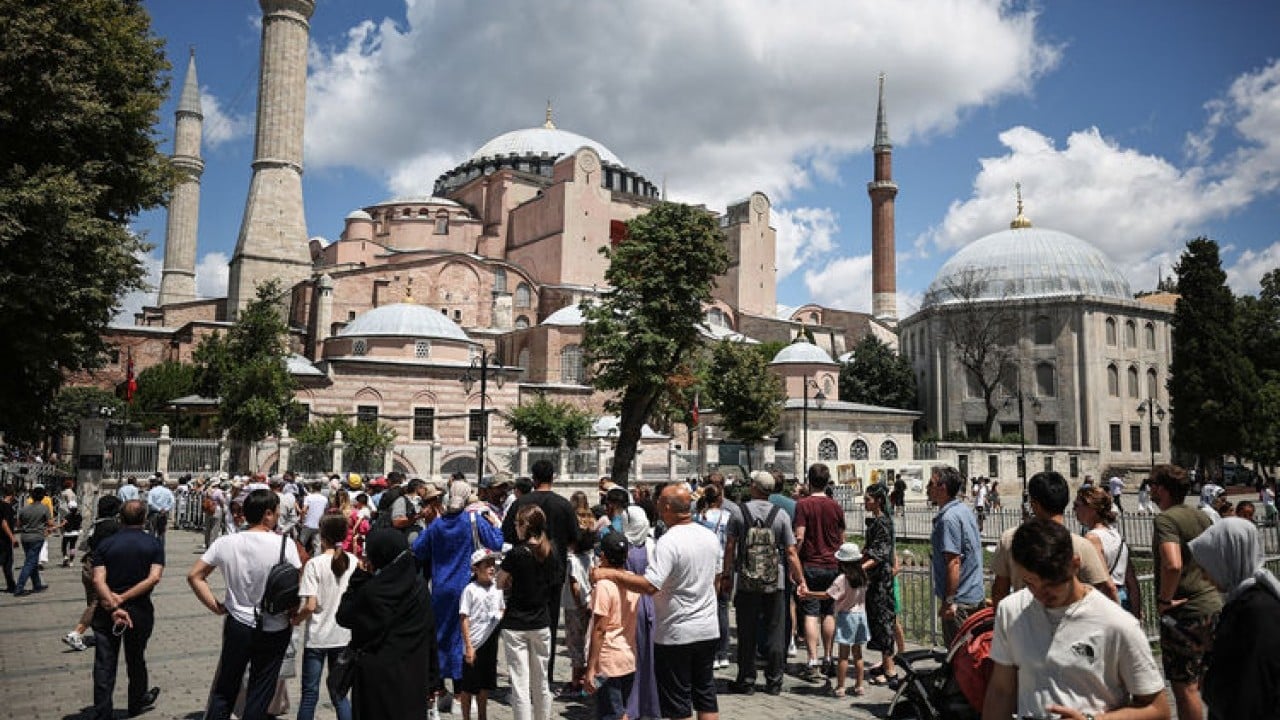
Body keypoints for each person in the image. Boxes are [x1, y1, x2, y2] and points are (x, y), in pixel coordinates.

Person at [981, 519, 1169, 720]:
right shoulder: (1011, 611)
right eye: (1030, 584)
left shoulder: (1117, 623)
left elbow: (1159, 709)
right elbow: (1001, 690)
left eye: (1052, 585)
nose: (1041, 595)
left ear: (1075, 565)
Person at [591, 484, 721, 720]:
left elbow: (651, 585)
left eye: (660, 501)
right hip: (708, 627)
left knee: (678, 700)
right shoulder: (709, 536)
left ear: (668, 507)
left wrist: (611, 574)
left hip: (677, 631)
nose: (657, 505)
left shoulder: (669, 542)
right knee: (705, 693)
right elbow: (718, 578)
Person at [187, 489, 303, 720]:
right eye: (277, 512)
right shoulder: (285, 544)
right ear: (267, 514)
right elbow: (295, 584)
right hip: (274, 624)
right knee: (261, 689)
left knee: (226, 685)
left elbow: (195, 576)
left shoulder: (226, 542)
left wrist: (215, 605)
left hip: (238, 622)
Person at [413, 479, 504, 702]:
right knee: (465, 637)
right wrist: (494, 523)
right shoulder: (472, 520)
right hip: (466, 587)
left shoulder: (437, 524)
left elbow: (418, 549)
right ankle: (461, 690)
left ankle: (438, 687)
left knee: (442, 635)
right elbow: (497, 542)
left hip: (441, 587)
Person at [337, 528, 439, 720]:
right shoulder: (419, 590)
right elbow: (430, 635)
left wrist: (358, 579)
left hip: (376, 683)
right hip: (413, 680)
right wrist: (433, 679)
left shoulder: (371, 593)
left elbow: (344, 616)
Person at [1187, 517, 1280, 719]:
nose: (1205, 577)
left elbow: (1251, 690)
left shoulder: (1257, 610)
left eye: (1206, 568)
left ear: (1226, 559)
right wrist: (1211, 646)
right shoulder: (1246, 600)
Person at [1149, 464, 1221, 720]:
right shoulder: (1201, 516)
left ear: (1162, 489)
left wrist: (1164, 600)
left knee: (1185, 686)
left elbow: (1173, 563)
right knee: (1211, 680)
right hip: (1212, 604)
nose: (1150, 491)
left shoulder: (1166, 520)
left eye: (1151, 485)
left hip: (1184, 612)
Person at [726, 471, 804, 695]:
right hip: (775, 580)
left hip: (746, 581)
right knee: (776, 631)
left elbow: (731, 547)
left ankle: (747, 679)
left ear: (754, 488)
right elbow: (790, 551)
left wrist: (726, 575)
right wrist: (800, 579)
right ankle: (774, 681)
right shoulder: (780, 516)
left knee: (747, 631)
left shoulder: (740, 513)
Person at [501, 459, 577, 685]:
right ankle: (545, 676)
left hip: (522, 572)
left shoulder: (520, 503)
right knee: (549, 625)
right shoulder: (563, 504)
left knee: (521, 625)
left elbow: (506, 534)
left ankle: (524, 677)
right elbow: (574, 538)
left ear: (533, 478)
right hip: (554, 573)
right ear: (553, 477)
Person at [991, 471, 1117, 605]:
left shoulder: (1011, 539)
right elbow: (1098, 594)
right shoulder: (1082, 546)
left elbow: (1000, 590)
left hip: (1023, 621)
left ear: (1035, 504)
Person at [90, 499, 164, 720]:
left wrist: (113, 602)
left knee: (104, 662)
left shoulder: (106, 544)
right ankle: (136, 701)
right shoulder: (153, 544)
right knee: (136, 657)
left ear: (120, 518)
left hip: (107, 609)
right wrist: (125, 598)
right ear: (144, 519)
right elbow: (154, 578)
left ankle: (102, 710)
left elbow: (97, 579)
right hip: (139, 610)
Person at [498, 505, 562, 720]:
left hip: (516, 623)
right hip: (541, 621)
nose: (515, 527)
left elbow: (499, 582)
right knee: (541, 682)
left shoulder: (517, 554)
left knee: (520, 684)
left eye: (517, 523)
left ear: (526, 526)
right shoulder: (551, 551)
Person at [295, 515, 356, 720]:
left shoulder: (315, 564)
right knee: (339, 694)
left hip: (317, 637)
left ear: (322, 537)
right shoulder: (354, 562)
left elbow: (310, 605)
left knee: (310, 694)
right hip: (344, 636)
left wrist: (295, 620)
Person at [792, 463, 845, 681]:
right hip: (832, 565)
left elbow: (800, 536)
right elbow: (843, 538)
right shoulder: (835, 506)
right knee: (829, 612)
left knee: (811, 614)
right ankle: (829, 657)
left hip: (811, 565)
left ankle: (812, 659)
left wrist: (795, 562)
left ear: (809, 480)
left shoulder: (803, 505)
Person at [799, 542, 868, 698]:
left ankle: (841, 686)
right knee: (858, 655)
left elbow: (826, 595)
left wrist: (808, 594)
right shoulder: (863, 576)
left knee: (843, 655)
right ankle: (859, 686)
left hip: (846, 617)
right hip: (861, 617)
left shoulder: (842, 579)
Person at [585, 531, 639, 720]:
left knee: (611, 713)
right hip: (628, 656)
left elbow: (600, 629)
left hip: (608, 659)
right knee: (621, 710)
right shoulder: (632, 579)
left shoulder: (604, 586)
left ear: (603, 557)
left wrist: (591, 667)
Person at [926, 466, 983, 643]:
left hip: (960, 602)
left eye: (931, 484)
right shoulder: (963, 510)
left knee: (959, 659)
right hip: (973, 594)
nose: (927, 488)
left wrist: (949, 601)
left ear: (942, 488)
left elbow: (954, 563)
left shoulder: (948, 518)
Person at [65, 495, 124, 652]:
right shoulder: (112, 526)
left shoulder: (96, 524)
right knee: (97, 603)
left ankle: (101, 632)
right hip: (99, 568)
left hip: (88, 565)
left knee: (94, 602)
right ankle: (76, 633)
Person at [1074, 486, 1142, 619]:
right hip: (1124, 596)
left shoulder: (1092, 538)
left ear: (1091, 508)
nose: (1074, 510)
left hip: (1106, 601)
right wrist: (1136, 612)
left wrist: (1117, 617)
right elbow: (1131, 580)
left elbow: (1107, 583)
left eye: (1077, 505)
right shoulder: (1116, 535)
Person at [620, 504, 661, 720]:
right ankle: (648, 703)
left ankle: (631, 703)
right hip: (649, 603)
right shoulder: (652, 544)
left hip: (628, 602)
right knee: (646, 656)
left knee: (630, 654)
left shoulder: (622, 545)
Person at [860, 483, 898, 689]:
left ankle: (890, 669)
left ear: (878, 501)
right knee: (877, 619)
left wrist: (861, 568)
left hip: (881, 580)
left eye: (868, 499)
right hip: (875, 579)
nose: (865, 502)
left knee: (884, 621)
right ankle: (885, 664)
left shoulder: (882, 522)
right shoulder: (877, 522)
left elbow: (880, 553)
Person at [459, 548, 505, 720]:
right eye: (487, 565)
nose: (492, 569)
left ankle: (482, 716)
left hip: (489, 642)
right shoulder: (470, 590)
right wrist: (469, 646)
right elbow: (464, 617)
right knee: (468, 686)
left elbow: (501, 607)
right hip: (474, 643)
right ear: (476, 569)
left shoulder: (496, 588)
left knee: (485, 685)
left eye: (493, 565)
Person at [694, 482, 734, 668]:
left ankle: (708, 652)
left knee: (704, 609)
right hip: (723, 566)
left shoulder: (698, 518)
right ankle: (723, 653)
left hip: (704, 567)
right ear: (720, 498)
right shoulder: (728, 517)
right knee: (722, 608)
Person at [561, 526, 596, 697]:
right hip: (588, 602)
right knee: (586, 640)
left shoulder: (572, 561)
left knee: (575, 643)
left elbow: (574, 585)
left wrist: (578, 602)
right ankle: (583, 677)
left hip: (575, 607)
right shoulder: (590, 558)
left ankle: (576, 681)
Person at [14, 484, 54, 595]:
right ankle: (19, 587)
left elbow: (18, 524)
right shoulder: (44, 508)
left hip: (25, 537)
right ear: (42, 496)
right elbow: (50, 523)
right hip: (37, 537)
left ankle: (37, 585)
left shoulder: (24, 509)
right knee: (30, 563)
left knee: (32, 561)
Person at [298, 480, 328, 556]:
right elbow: (325, 512)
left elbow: (304, 510)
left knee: (301, 544)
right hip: (319, 525)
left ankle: (300, 560)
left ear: (312, 488)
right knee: (317, 546)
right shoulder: (324, 499)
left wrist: (301, 520)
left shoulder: (308, 497)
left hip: (308, 524)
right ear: (320, 488)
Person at [145, 475, 174, 547]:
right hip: (163, 514)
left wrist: (158, 509)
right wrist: (165, 509)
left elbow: (150, 503)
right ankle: (160, 548)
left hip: (154, 513)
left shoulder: (152, 491)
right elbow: (172, 502)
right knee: (161, 533)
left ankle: (151, 548)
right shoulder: (168, 491)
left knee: (152, 532)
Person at [0, 485, 17, 592]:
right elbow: (4, 523)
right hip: (4, 539)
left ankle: (11, 585)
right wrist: (12, 538)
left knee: (7, 563)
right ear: (12, 495)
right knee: (6, 562)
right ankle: (11, 585)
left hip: (3, 538)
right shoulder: (7, 507)